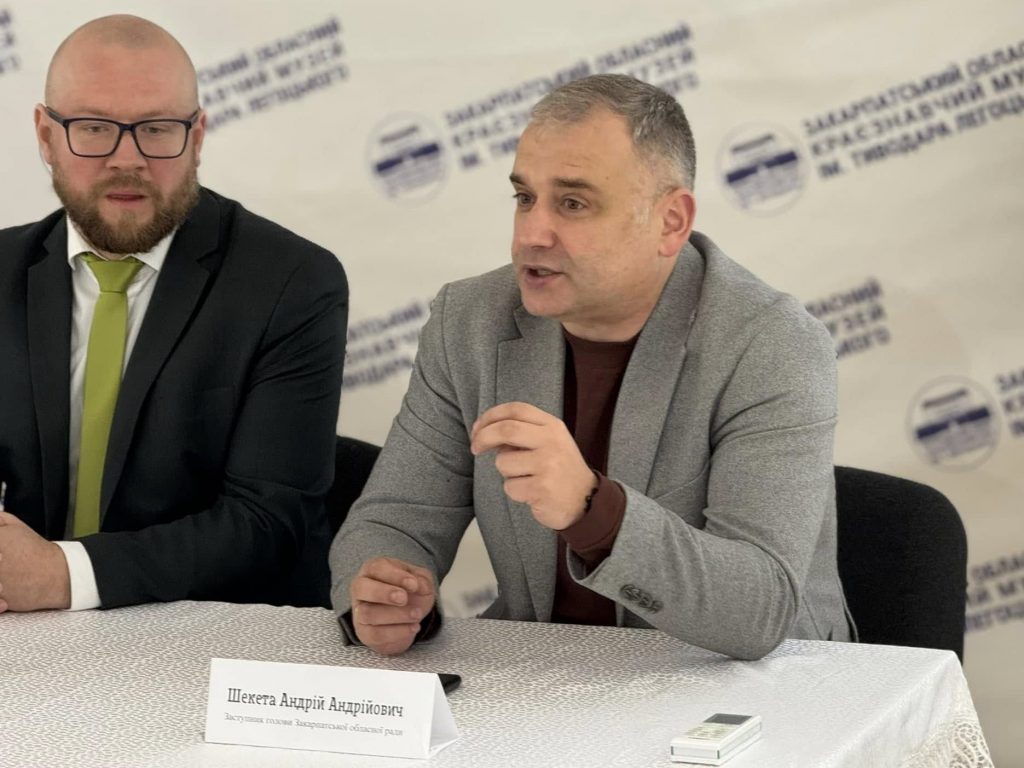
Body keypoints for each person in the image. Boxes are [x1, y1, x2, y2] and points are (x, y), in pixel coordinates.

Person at [330, 74, 849, 660]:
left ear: (670, 222)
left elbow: (760, 607)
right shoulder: (468, 321)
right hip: (550, 677)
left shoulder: (771, 343)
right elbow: (394, 519)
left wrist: (591, 510)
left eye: (573, 203)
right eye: (524, 198)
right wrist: (382, 595)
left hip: (755, 683)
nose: (531, 234)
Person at [0, 15, 347, 612]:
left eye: (157, 129)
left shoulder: (292, 283)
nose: (127, 159)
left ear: (198, 135)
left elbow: (269, 523)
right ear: (45, 134)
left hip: (210, 637)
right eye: (94, 128)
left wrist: (64, 575)